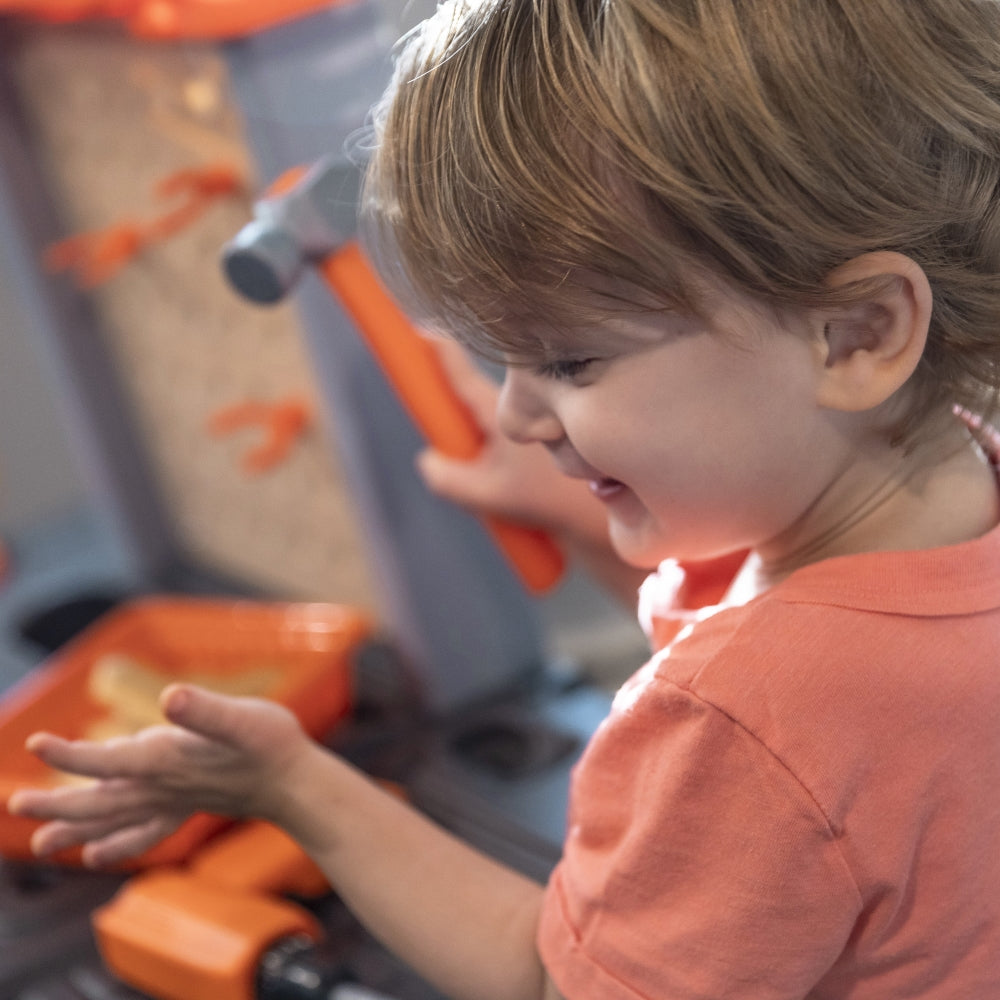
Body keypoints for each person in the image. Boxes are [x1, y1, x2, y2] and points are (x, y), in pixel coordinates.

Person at [10, 1, 1000, 996]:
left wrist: (295, 784)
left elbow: (553, 981)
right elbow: (813, 651)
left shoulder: (743, 727)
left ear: (859, 334)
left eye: (569, 361)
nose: (519, 413)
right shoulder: (957, 479)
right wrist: (586, 507)